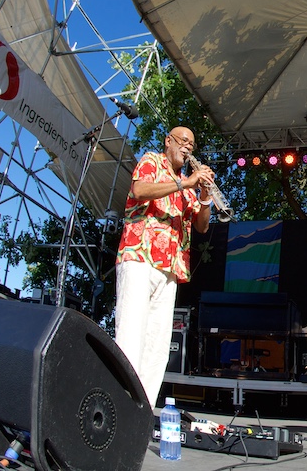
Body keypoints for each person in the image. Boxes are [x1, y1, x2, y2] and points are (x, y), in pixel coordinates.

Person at [114, 126, 215, 406]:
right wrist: (186, 183)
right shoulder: (152, 160)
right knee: (131, 334)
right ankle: (119, 403)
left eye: (192, 146)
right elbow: (139, 189)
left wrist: (205, 195)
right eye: (183, 142)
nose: (187, 148)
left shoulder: (187, 185)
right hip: (139, 257)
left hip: (170, 268)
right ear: (168, 141)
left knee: (157, 347)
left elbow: (202, 226)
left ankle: (141, 410)